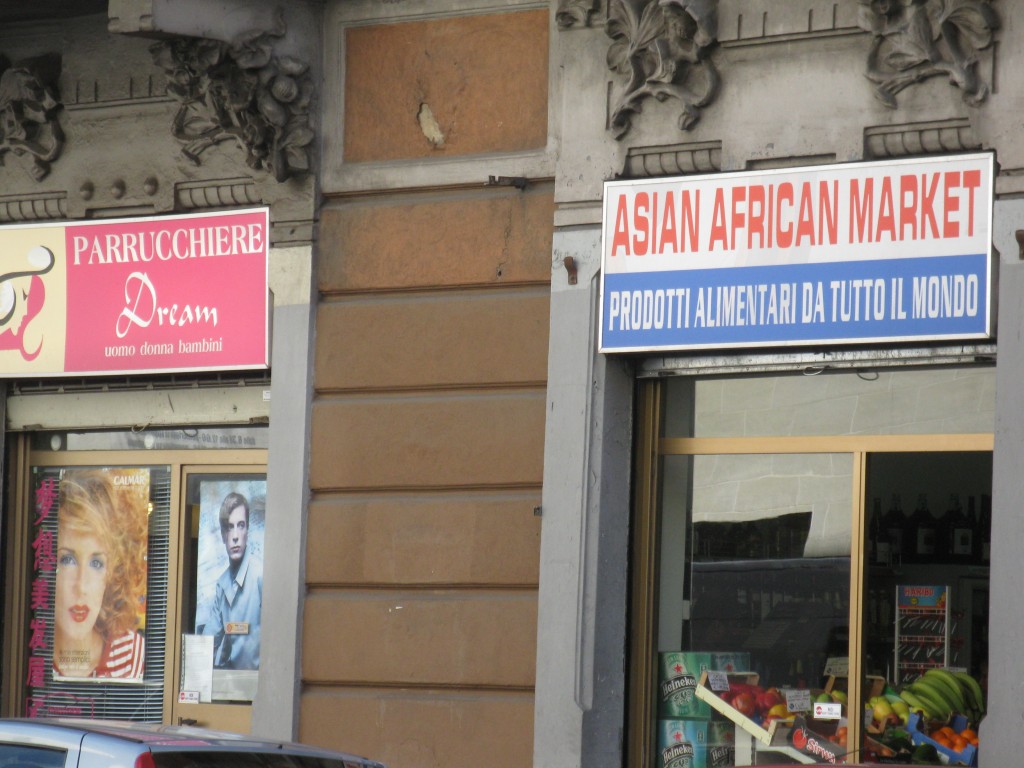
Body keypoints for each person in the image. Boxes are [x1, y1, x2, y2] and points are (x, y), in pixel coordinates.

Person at [53, 469, 148, 680]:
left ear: (111, 573)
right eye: (67, 560)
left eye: (96, 563)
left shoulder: (134, 658)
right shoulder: (27, 651)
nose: (81, 586)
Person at [205, 491, 262, 669]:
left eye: (241, 525)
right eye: (230, 527)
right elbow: (208, 642)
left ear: (247, 531)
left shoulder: (261, 576)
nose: (235, 535)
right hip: (232, 680)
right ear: (223, 535)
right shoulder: (222, 584)